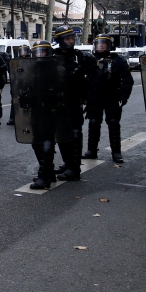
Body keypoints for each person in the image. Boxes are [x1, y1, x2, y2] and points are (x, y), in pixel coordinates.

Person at [82, 35, 133, 163]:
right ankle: (91, 150)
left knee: (114, 123)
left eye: (104, 43)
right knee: (93, 123)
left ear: (109, 45)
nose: (101, 45)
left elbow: (127, 80)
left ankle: (116, 152)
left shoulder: (118, 60)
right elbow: (82, 79)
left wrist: (123, 96)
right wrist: (84, 96)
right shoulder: (90, 60)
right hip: (95, 97)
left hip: (112, 96)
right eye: (98, 43)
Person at [52, 26, 91, 181]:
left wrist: (89, 100)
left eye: (72, 38)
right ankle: (68, 163)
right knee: (61, 133)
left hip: (75, 101)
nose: (70, 41)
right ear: (60, 40)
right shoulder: (53, 57)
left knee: (75, 134)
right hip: (59, 101)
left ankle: (74, 168)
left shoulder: (80, 57)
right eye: (67, 39)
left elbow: (92, 80)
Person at [27, 41, 61, 190]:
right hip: (36, 108)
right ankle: (49, 171)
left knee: (46, 142)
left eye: (43, 52)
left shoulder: (55, 68)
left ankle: (44, 177)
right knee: (36, 142)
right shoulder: (34, 68)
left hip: (50, 109)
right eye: (38, 52)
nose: (40, 55)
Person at [6, 44, 30, 126]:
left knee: (27, 101)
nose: (24, 53)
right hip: (17, 83)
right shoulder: (15, 61)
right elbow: (11, 71)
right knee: (15, 101)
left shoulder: (30, 60)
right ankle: (13, 118)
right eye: (22, 51)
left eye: (25, 51)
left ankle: (27, 118)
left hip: (28, 83)